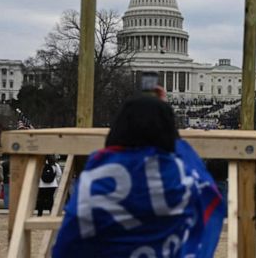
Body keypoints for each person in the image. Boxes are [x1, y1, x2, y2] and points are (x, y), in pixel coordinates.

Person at [53, 95, 225, 258]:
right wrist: (169, 130)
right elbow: (207, 189)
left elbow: (68, 242)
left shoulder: (96, 178)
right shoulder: (182, 177)